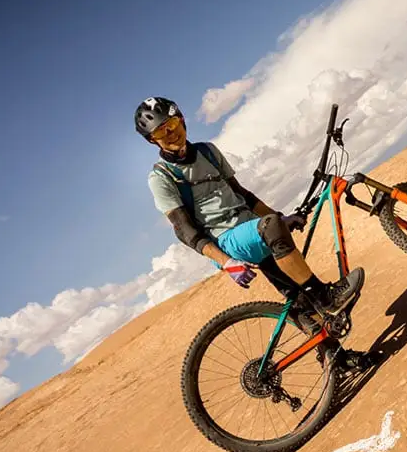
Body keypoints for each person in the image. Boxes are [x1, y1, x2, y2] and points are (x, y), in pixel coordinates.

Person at [136, 96, 369, 367]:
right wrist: (227, 263)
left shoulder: (208, 152)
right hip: (225, 241)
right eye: (160, 131)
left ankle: (335, 357)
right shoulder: (161, 177)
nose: (170, 132)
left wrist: (280, 218)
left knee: (297, 298)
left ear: (182, 120)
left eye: (172, 123)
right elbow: (184, 230)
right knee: (293, 265)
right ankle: (326, 295)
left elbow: (244, 195)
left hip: (251, 227)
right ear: (152, 140)